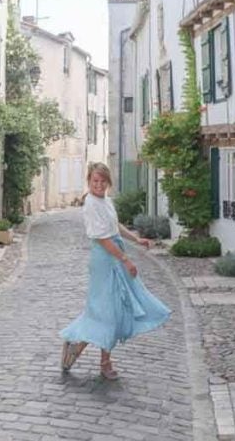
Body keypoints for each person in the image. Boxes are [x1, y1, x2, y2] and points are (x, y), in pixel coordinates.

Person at [59, 162, 172, 380]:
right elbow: (102, 238)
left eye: (102, 181)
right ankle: (99, 359)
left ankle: (77, 346)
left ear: (108, 182)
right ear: (89, 182)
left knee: (112, 311)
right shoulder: (90, 204)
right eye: (95, 181)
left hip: (115, 254)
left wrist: (136, 239)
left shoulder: (106, 201)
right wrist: (126, 259)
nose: (99, 185)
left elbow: (115, 227)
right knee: (106, 312)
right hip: (105, 259)